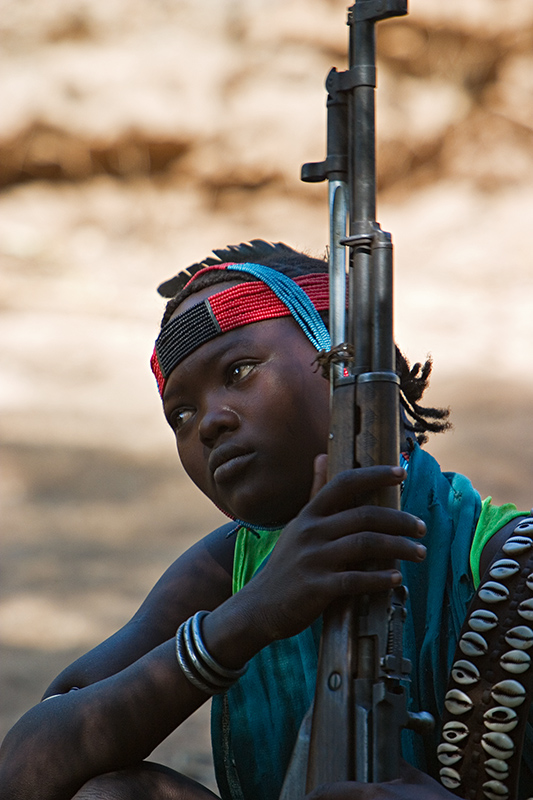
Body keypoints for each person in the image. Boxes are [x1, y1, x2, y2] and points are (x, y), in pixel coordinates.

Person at [0, 240, 530, 800]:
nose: (208, 423)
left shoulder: (506, 565)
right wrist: (247, 618)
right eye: (180, 413)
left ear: (346, 366)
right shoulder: (229, 567)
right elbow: (27, 769)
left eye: (241, 369)